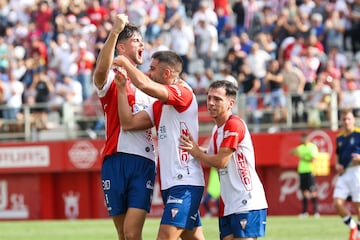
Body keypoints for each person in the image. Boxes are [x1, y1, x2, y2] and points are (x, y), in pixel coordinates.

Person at [113, 50, 205, 240]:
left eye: (153, 69)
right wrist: (122, 89)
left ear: (166, 74)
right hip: (171, 184)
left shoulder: (183, 93)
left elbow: (143, 83)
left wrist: (125, 62)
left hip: (185, 182)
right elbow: (128, 123)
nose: (148, 72)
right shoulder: (159, 105)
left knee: (164, 237)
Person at [92, 14, 156, 240]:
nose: (142, 44)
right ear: (121, 47)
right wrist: (115, 30)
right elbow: (100, 72)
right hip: (113, 159)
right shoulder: (112, 78)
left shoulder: (150, 87)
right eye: (136, 40)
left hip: (142, 162)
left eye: (142, 40)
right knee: (122, 233)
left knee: (131, 233)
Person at [179, 80, 268, 240]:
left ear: (230, 103)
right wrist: (190, 147)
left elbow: (220, 161)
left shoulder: (234, 125)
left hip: (247, 200)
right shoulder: (216, 130)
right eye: (209, 98)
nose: (211, 103)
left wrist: (196, 152)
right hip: (228, 203)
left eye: (217, 99)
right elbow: (211, 154)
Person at [333, 109, 360, 240]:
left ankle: (359, 234)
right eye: (344, 119)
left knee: (358, 206)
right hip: (344, 173)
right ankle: (352, 226)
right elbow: (337, 155)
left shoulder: (359, 134)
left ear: (354, 120)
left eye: (349, 119)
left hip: (357, 172)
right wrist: (337, 165)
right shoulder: (339, 137)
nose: (346, 121)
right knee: (337, 203)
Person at [291, 132, 320, 218]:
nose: (302, 140)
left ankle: (316, 212)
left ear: (307, 139)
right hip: (302, 171)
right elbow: (292, 152)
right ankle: (305, 212)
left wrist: (304, 157)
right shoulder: (301, 148)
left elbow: (313, 159)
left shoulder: (312, 147)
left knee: (313, 191)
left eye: (303, 138)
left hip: (310, 170)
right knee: (304, 191)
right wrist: (297, 152)